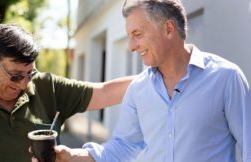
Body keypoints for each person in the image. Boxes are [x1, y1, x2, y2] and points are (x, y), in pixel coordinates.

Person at [38, 0, 250, 162]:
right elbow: (122, 146)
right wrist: (74, 155)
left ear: (168, 29)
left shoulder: (226, 78)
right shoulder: (138, 89)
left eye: (137, 34)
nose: (131, 46)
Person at [0, 22, 134, 162]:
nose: (24, 84)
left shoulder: (46, 86)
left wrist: (157, 75)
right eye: (15, 76)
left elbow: (105, 92)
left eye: (29, 74)